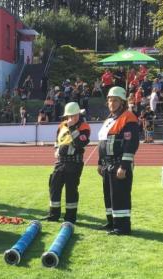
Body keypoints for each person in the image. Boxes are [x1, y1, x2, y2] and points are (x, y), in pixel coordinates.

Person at [97, 87, 140, 235]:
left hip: (119, 163)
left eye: (115, 100)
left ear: (122, 102)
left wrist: (124, 166)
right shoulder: (110, 119)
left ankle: (122, 227)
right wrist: (99, 162)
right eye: (110, 100)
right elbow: (103, 143)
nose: (112, 103)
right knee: (109, 195)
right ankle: (112, 222)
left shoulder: (129, 118)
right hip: (107, 163)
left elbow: (131, 144)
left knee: (120, 196)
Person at [43, 102, 90, 224]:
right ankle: (53, 214)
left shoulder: (84, 127)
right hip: (60, 162)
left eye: (74, 116)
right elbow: (57, 140)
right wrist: (56, 149)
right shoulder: (61, 126)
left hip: (74, 163)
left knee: (71, 190)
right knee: (54, 186)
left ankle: (70, 217)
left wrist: (73, 128)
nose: (72, 118)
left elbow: (80, 143)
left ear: (78, 115)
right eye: (70, 116)